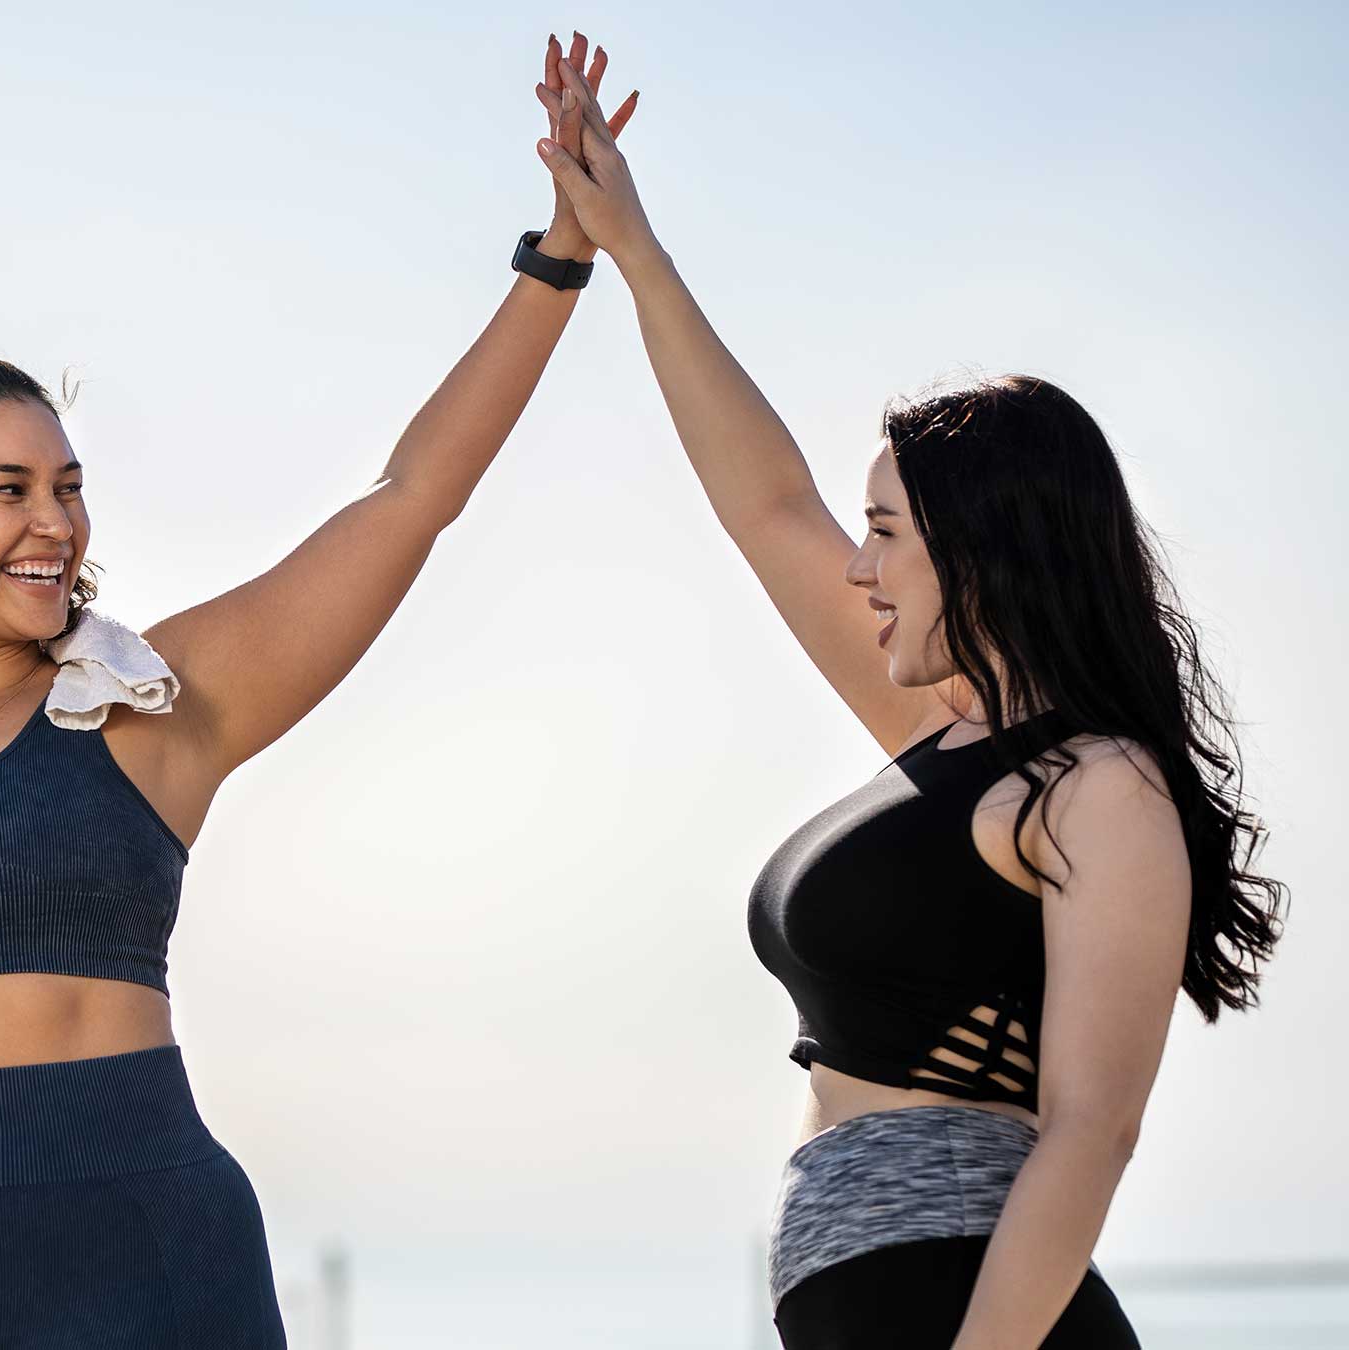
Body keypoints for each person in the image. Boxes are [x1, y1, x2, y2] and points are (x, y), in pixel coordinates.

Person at [0, 35, 639, 1349]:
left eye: (67, 484)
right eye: (8, 492)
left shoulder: (155, 705)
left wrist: (560, 257)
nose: (54, 521)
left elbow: (409, 501)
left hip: (141, 1270)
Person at [530, 44, 1284, 1349]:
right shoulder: (949, 744)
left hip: (969, 1310)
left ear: (981, 554)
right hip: (870, 1296)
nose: (860, 566)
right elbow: (764, 506)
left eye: (885, 532)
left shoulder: (1098, 786)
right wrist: (633, 253)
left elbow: (1093, 1128)